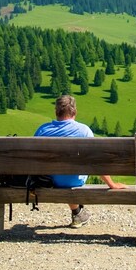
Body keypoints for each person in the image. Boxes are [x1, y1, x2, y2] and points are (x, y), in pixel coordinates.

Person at [34, 95, 126, 227]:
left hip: (47, 181)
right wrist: (112, 184)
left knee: (62, 173)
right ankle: (78, 213)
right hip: (73, 181)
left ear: (56, 111)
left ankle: (78, 212)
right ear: (75, 112)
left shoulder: (43, 130)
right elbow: (96, 162)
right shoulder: (84, 131)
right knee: (72, 173)